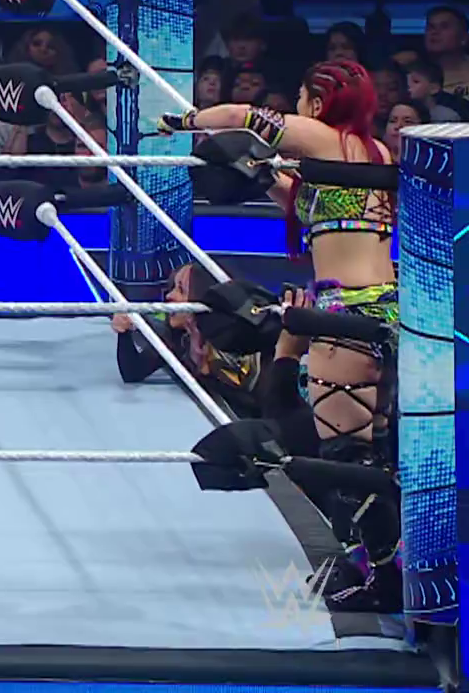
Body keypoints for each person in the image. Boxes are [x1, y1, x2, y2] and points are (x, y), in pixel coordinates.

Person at [161, 59, 401, 611]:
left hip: (343, 312)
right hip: (382, 306)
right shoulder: (373, 155)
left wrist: (185, 121)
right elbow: (323, 212)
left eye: (300, 97)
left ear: (319, 102)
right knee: (371, 448)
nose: (296, 107)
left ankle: (385, 580)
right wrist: (264, 175)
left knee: (346, 455)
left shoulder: (323, 138)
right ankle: (380, 567)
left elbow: (244, 116)